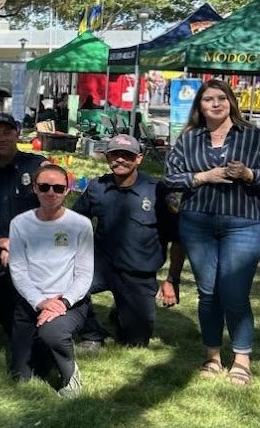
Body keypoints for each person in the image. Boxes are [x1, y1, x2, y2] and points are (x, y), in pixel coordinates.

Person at [163, 78, 260, 387]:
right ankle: (212, 355)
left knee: (234, 293)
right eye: (207, 99)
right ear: (199, 106)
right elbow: (171, 178)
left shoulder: (253, 137)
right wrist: (204, 176)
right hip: (198, 222)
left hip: (242, 223)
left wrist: (248, 174)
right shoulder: (189, 139)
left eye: (221, 98)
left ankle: (242, 359)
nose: (215, 104)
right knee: (208, 293)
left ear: (231, 102)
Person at [72, 134, 185, 349]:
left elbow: (178, 239)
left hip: (138, 274)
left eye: (127, 155)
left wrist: (172, 279)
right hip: (101, 267)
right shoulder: (97, 187)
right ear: (107, 157)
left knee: (135, 342)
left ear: (139, 159)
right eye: (115, 155)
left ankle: (123, 309)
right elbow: (73, 222)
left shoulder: (158, 192)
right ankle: (92, 334)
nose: (120, 160)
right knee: (64, 283)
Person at [8, 162, 94, 397]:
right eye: (44, 187)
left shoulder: (81, 224)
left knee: (52, 332)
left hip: (69, 302)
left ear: (67, 190)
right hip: (31, 301)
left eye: (58, 188)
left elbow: (85, 273)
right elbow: (18, 270)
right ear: (34, 188)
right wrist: (41, 302)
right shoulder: (20, 224)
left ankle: (71, 377)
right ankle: (43, 349)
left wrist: (63, 302)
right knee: (21, 376)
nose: (51, 193)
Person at [0, 113, 47, 338]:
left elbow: (52, 210)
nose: (1, 138)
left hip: (39, 250)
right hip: (4, 251)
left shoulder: (36, 166)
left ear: (17, 135)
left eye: (7, 132)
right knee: (10, 322)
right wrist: (1, 242)